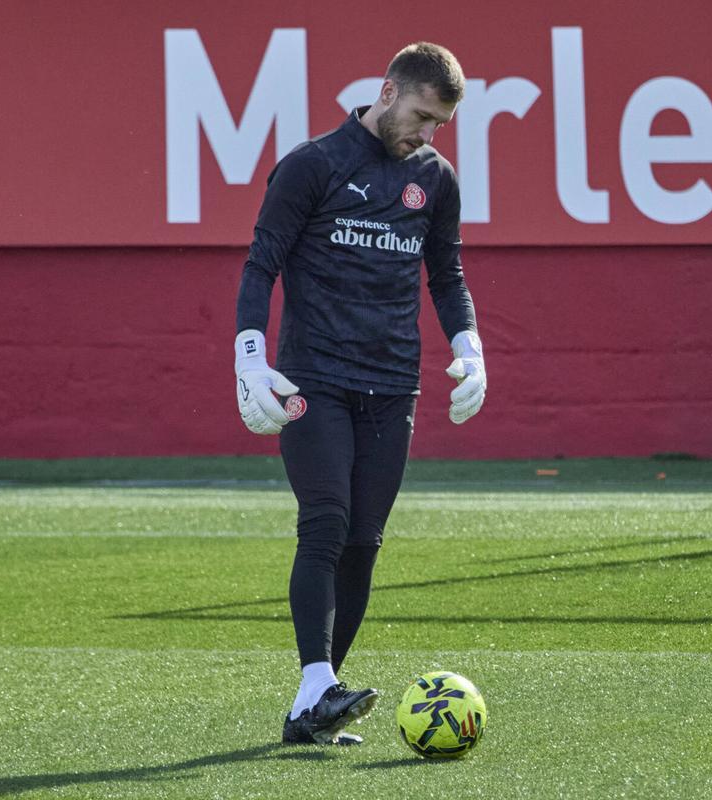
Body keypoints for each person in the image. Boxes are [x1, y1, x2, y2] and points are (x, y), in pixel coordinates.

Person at [232, 42, 486, 746]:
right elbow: (262, 263)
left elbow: (447, 273)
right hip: (314, 376)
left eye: (439, 124)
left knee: (364, 543)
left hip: (394, 382)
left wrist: (469, 344)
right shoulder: (313, 165)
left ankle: (314, 701)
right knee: (326, 520)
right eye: (421, 115)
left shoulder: (435, 178)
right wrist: (249, 355)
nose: (426, 134)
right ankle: (317, 679)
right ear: (388, 90)